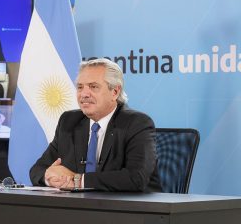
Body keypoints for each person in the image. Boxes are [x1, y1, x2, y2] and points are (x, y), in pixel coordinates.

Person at [30, 58, 161, 192]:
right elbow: (37, 170)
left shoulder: (137, 123)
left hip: (132, 209)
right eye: (80, 87)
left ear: (115, 92)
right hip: (80, 208)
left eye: (93, 86)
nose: (84, 94)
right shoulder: (69, 121)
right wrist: (49, 176)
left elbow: (136, 178)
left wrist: (78, 180)